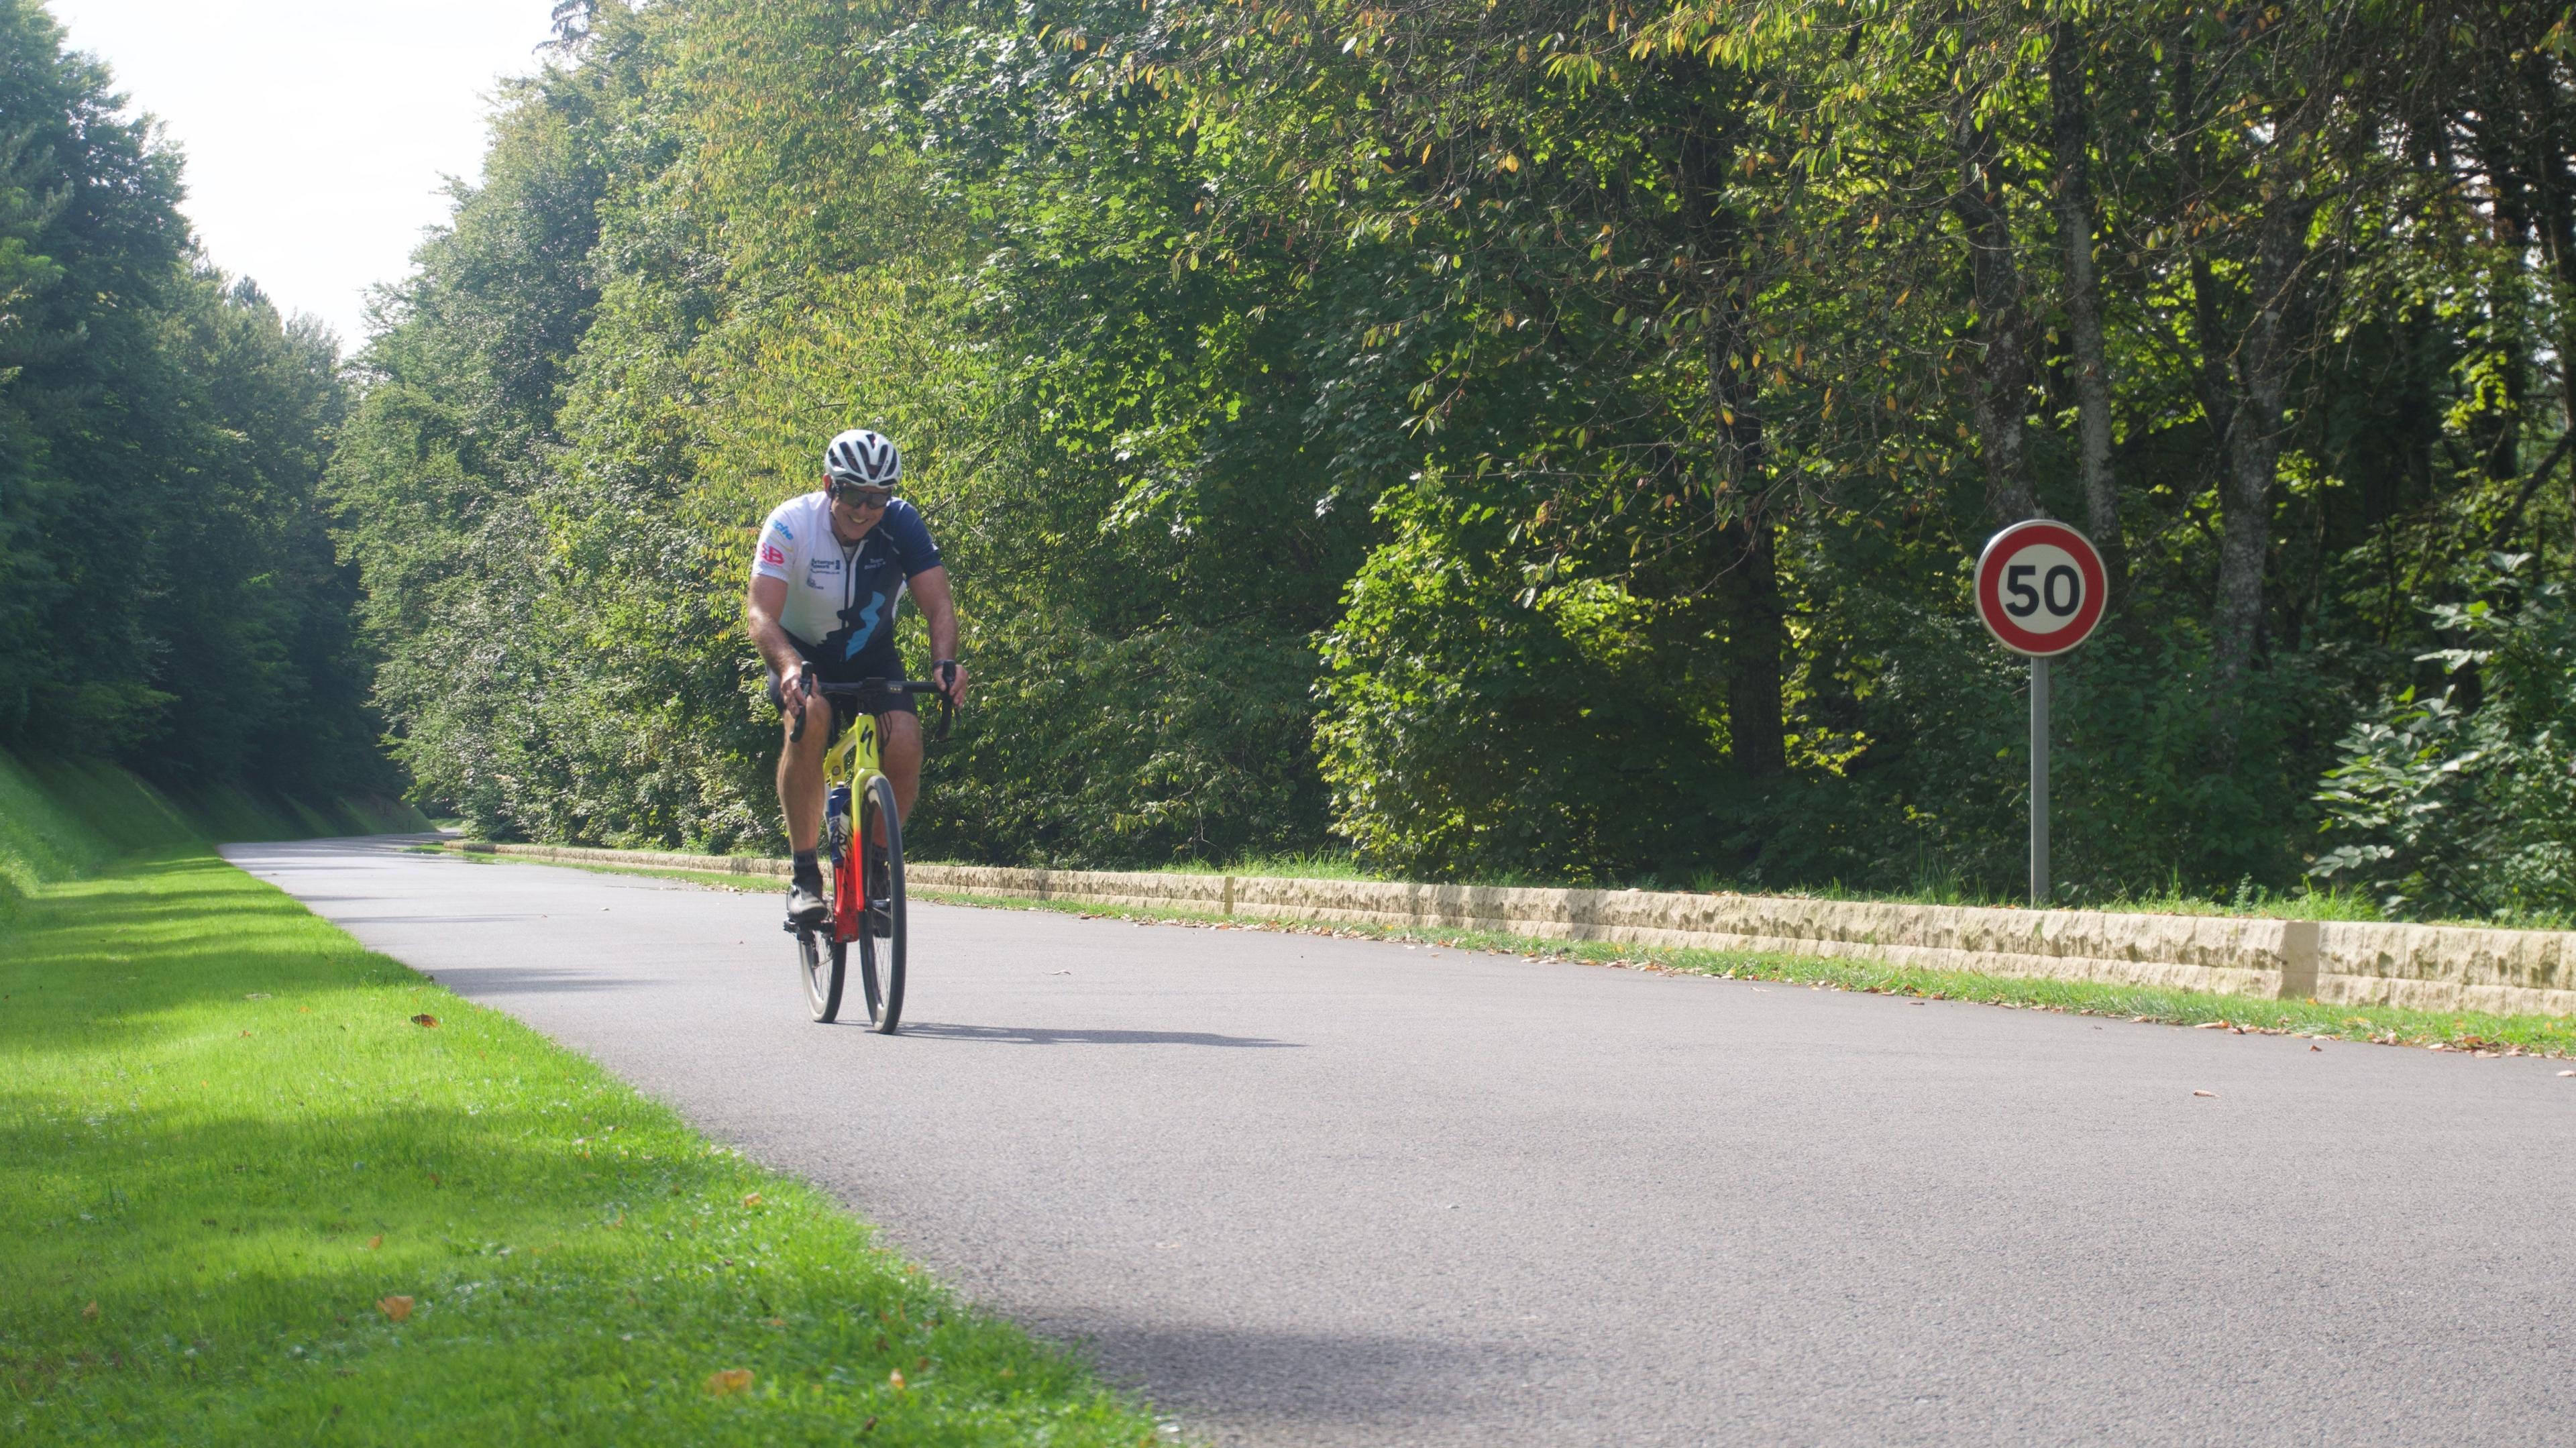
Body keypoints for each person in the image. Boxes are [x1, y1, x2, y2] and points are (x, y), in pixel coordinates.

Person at [746, 428, 969, 924]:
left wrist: (944, 662)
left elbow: (939, 606)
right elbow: (760, 614)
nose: (865, 509)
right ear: (829, 485)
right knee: (812, 717)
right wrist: (788, 668)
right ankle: (805, 875)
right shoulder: (790, 524)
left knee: (906, 741)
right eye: (853, 494)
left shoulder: (902, 524)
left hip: (871, 655)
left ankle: (877, 871)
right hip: (801, 654)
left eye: (878, 497)